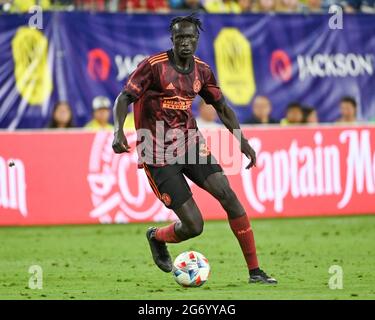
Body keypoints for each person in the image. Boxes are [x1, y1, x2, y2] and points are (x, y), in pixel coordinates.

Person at [112, 15, 277, 284]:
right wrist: (118, 130)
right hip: (157, 154)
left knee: (229, 196)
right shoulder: (153, 67)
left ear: (197, 39)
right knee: (194, 226)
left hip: (190, 145)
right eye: (180, 38)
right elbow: (124, 98)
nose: (185, 42)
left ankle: (255, 272)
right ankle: (156, 236)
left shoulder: (202, 70)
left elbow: (222, 107)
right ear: (172, 40)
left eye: (190, 37)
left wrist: (242, 140)